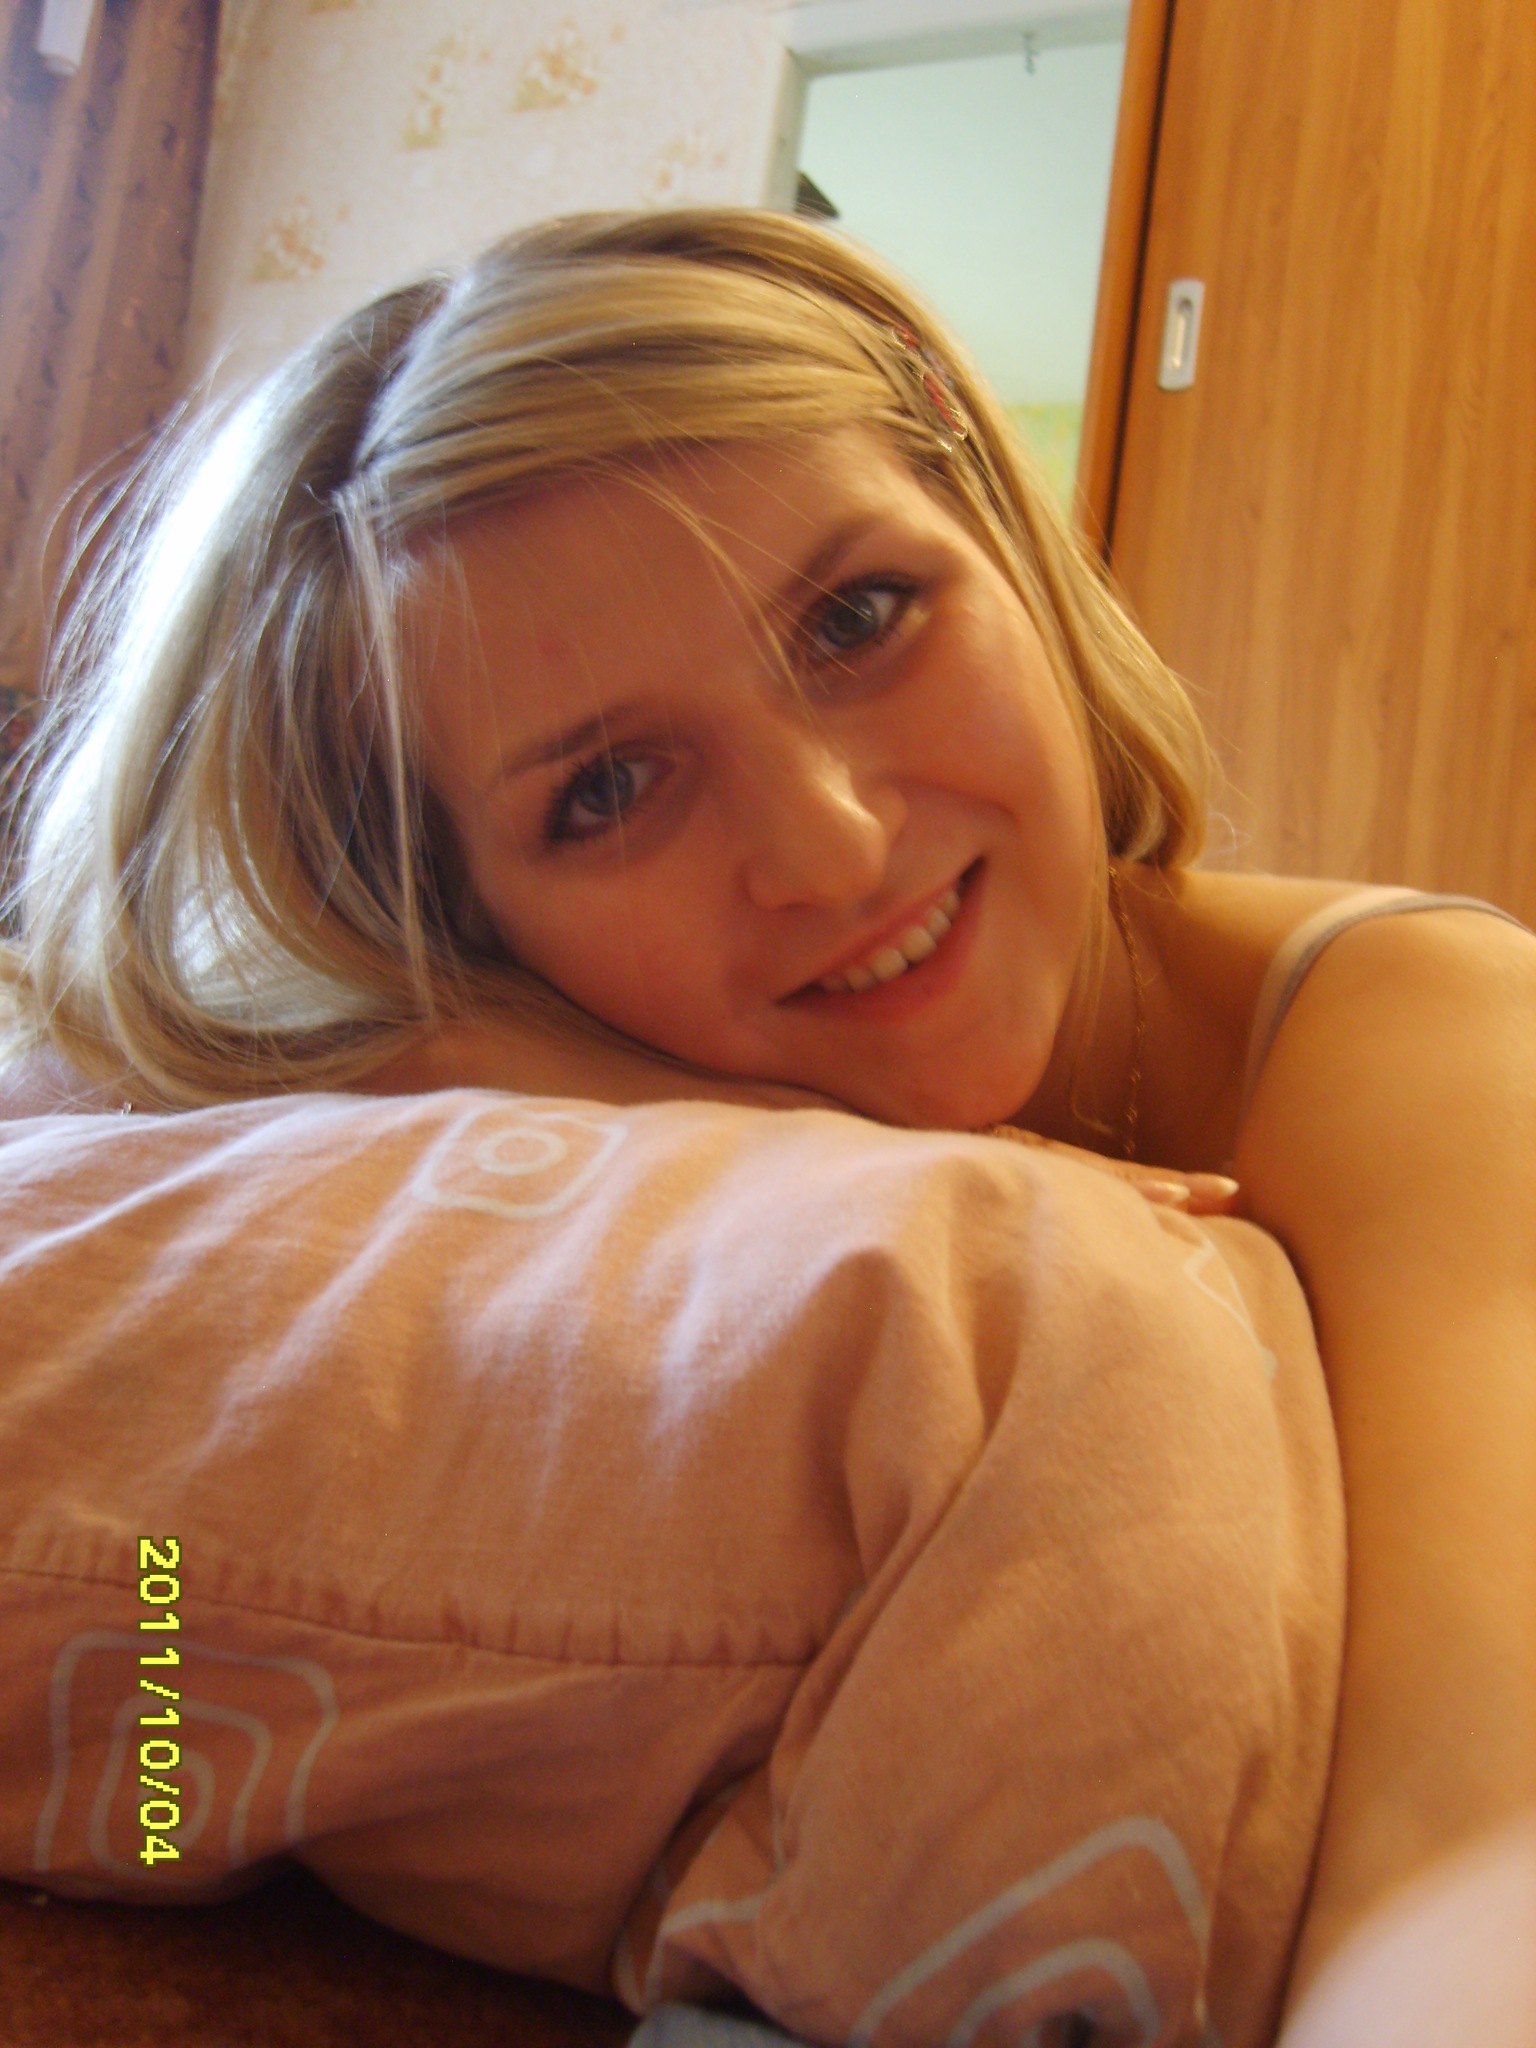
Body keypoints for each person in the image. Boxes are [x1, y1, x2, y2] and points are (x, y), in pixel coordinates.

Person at [0, 208, 1530, 2033]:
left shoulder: (1431, 1034)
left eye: (861, 618)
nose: (829, 846)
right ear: (456, 916)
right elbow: (118, 1047)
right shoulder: (493, 1078)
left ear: (996, 531)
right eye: (609, 790)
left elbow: (1473, 1839)